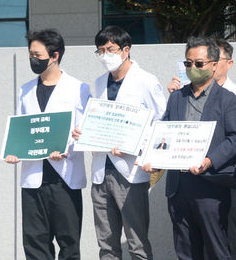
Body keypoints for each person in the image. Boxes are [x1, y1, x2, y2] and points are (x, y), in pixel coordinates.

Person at [143, 36, 236, 260]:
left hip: (212, 186)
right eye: (188, 63)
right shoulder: (176, 98)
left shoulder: (229, 100)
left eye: (199, 64)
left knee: (218, 249)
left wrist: (209, 160)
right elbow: (163, 134)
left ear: (213, 64)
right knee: (186, 250)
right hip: (179, 186)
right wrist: (154, 160)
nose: (193, 68)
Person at [71, 25, 166, 260]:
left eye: (110, 49)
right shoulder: (100, 82)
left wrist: (136, 145)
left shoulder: (145, 81)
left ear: (126, 50)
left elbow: (161, 121)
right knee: (106, 243)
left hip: (130, 172)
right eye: (100, 51)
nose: (105, 56)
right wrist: (84, 132)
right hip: (101, 170)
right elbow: (99, 119)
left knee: (137, 242)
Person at [5, 29, 91, 260]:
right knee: (34, 242)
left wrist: (66, 148)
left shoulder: (78, 88)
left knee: (69, 241)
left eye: (37, 55)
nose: (32, 59)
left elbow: (84, 131)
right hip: (33, 179)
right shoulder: (26, 90)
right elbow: (21, 129)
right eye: (30, 54)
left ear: (54, 55)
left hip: (64, 178)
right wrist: (14, 151)